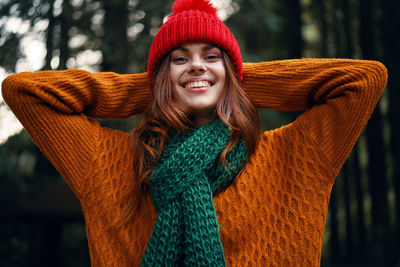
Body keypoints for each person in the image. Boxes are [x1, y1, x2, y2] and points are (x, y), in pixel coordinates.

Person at [1, 0, 388, 266]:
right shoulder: (110, 161)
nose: (196, 66)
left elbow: (365, 79)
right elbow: (24, 91)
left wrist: (237, 81)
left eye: (211, 56)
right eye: (180, 59)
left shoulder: (292, 154)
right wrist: (154, 87)